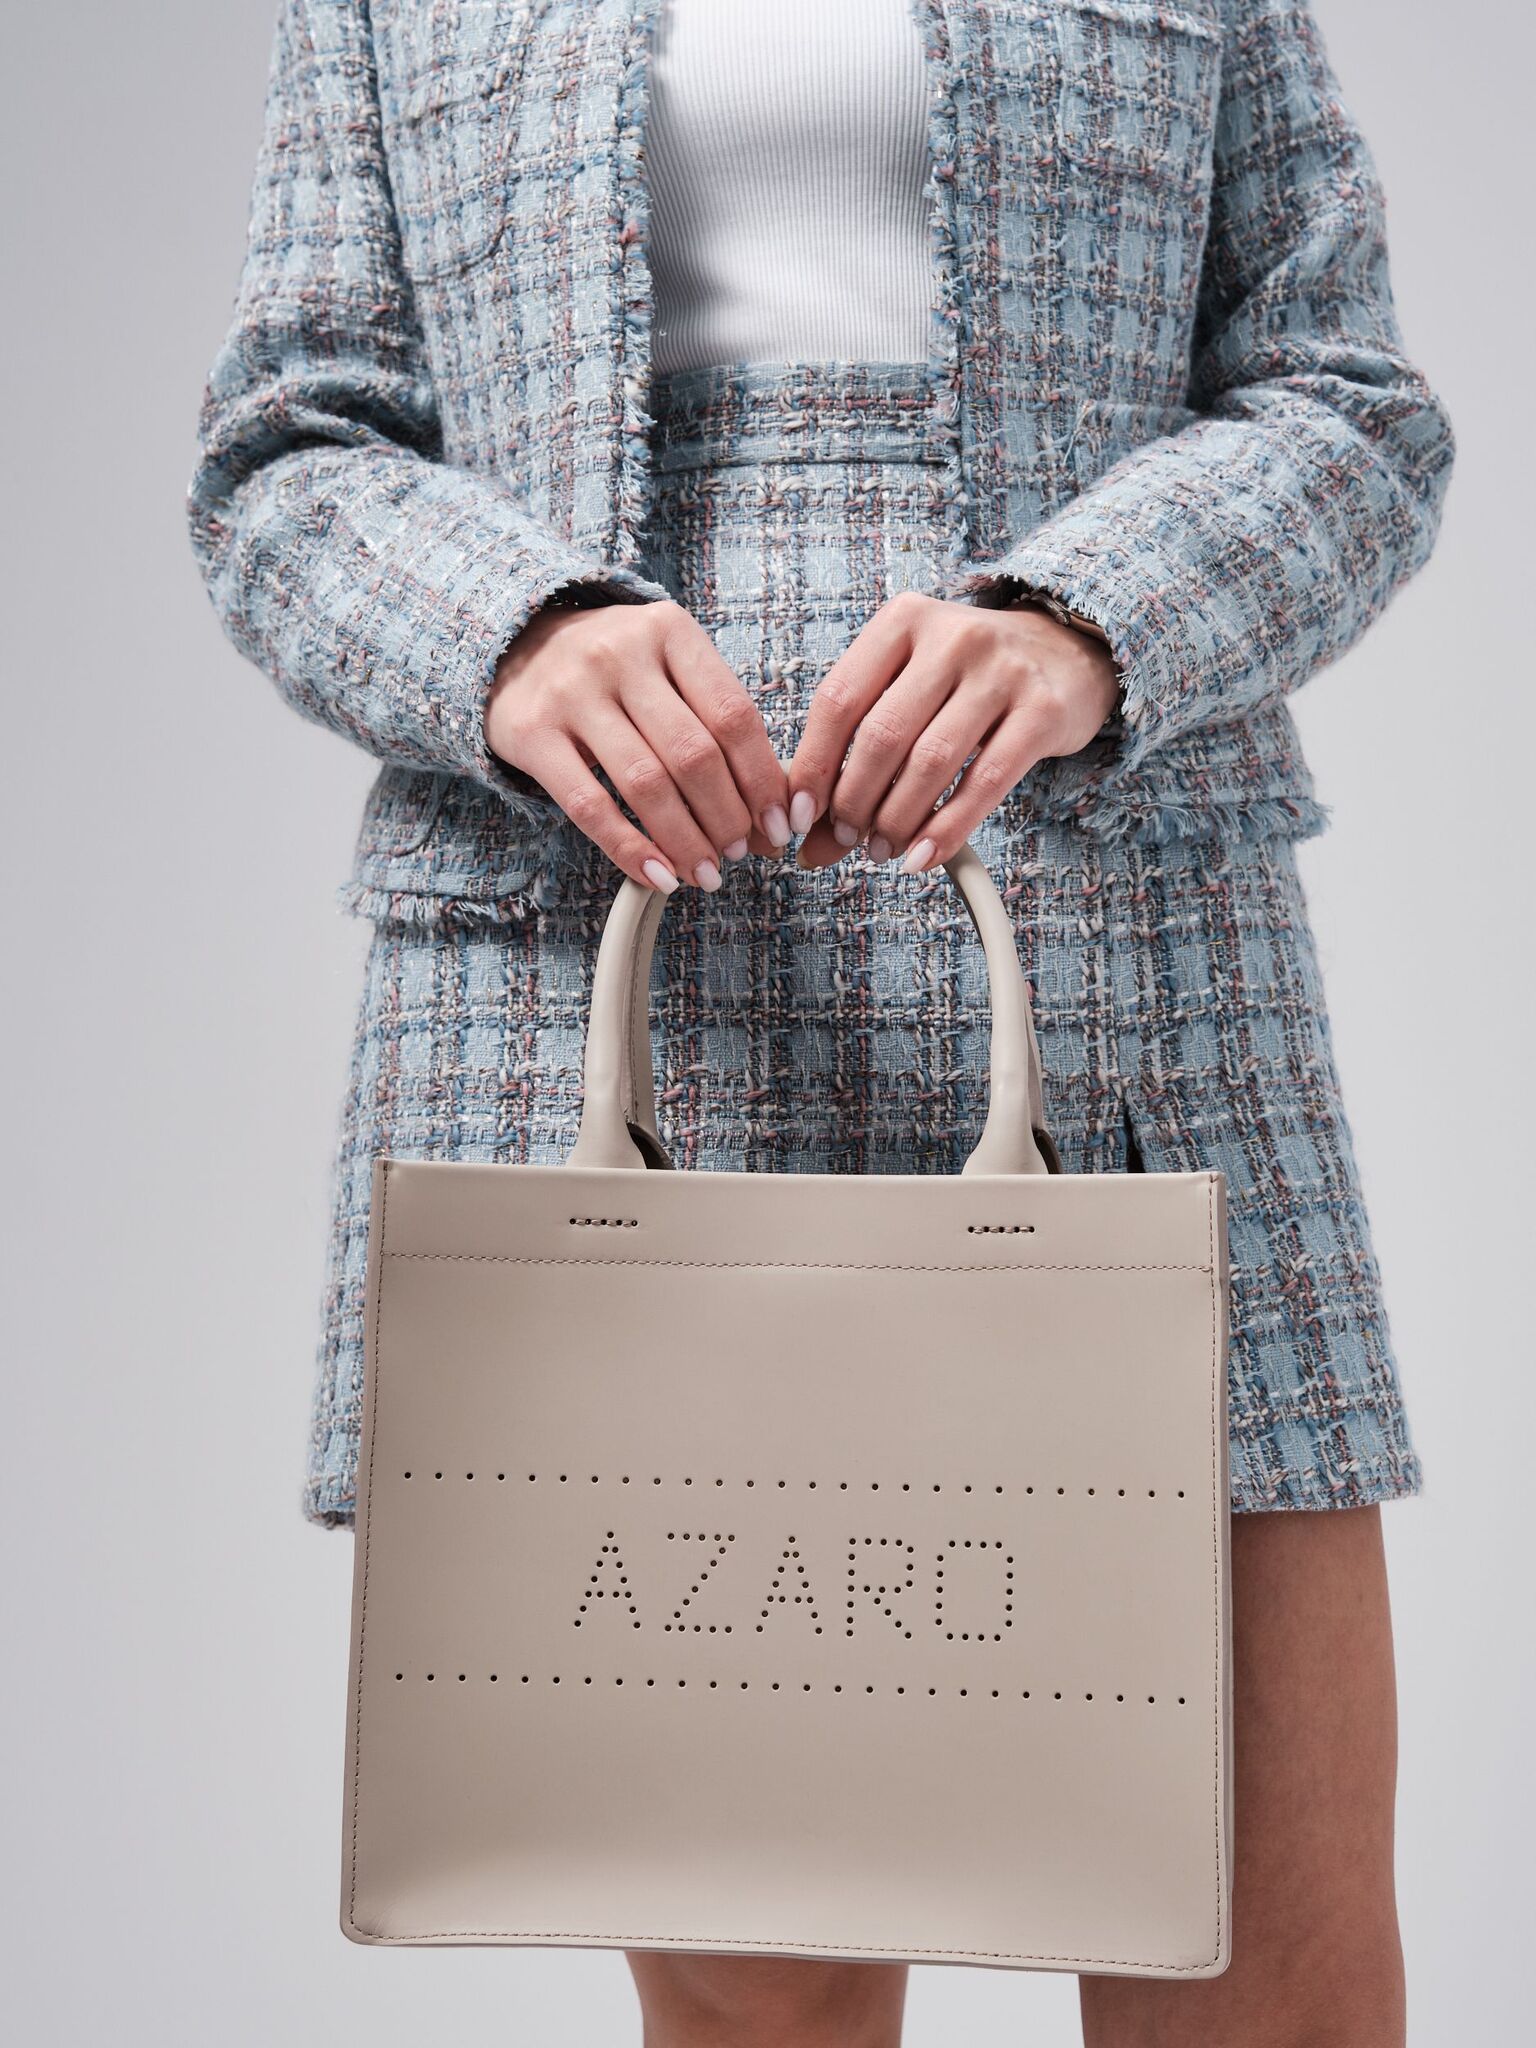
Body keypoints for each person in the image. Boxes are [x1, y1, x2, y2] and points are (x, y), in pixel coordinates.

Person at [187, 1, 1453, 2040]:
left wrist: (1089, 616)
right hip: (615, 946)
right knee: (756, 1989)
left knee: (1266, 1949)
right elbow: (286, 446)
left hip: (1129, 939)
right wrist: (511, 634)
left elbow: (1349, 404)